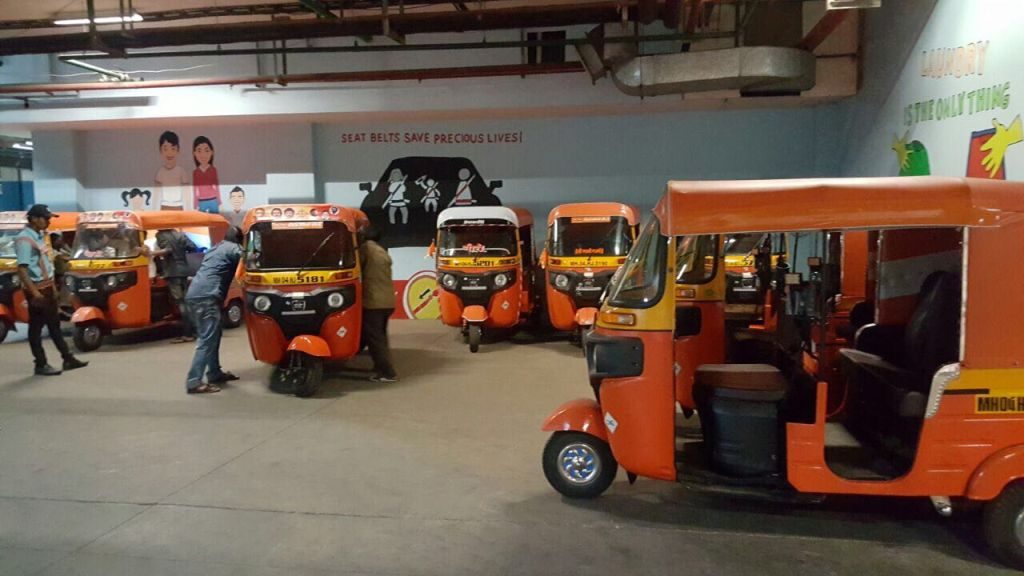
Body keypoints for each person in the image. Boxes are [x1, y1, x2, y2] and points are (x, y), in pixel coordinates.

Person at [15, 205, 88, 376]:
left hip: (46, 287)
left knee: (53, 325)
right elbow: (22, 270)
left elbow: (46, 264)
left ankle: (67, 358)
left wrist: (53, 288)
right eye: (45, 218)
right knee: (37, 328)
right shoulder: (25, 240)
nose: (48, 221)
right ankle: (41, 363)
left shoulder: (41, 237)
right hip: (38, 290)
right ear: (33, 219)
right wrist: (35, 294)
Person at [184, 226, 243, 394]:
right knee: (206, 340)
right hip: (207, 297)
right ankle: (194, 382)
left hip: (195, 294)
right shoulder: (233, 248)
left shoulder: (215, 248)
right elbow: (250, 259)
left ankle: (215, 373)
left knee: (213, 336)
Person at [359, 226, 398, 383]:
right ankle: (381, 366)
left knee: (375, 338)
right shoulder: (382, 251)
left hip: (373, 301)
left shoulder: (365, 249)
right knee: (381, 337)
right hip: (387, 301)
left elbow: (356, 269)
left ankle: (387, 372)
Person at [152, 228, 198, 343]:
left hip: (172, 272)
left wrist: (150, 253)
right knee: (188, 302)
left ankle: (188, 334)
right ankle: (196, 331)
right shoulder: (180, 234)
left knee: (181, 302)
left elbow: (167, 250)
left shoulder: (160, 235)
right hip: (184, 270)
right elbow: (192, 247)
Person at [192, 136, 221, 214]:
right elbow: (195, 189)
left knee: (215, 220)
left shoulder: (213, 170)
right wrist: (195, 201)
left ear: (212, 152)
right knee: (202, 222)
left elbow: (216, 185)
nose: (203, 154)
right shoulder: (196, 172)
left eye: (206, 150)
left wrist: (218, 199)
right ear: (194, 153)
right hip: (202, 201)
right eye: (199, 151)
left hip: (213, 199)